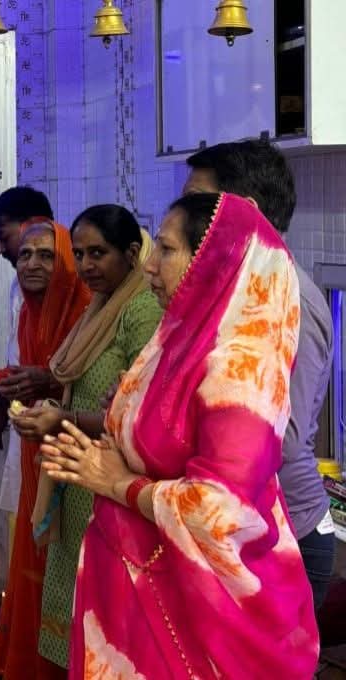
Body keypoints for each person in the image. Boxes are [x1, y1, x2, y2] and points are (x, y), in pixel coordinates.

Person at [41, 192, 319, 677]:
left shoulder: (241, 369)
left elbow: (221, 507)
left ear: (215, 261)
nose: (149, 265)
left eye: (166, 250)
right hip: (134, 597)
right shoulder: (177, 342)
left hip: (189, 620)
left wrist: (117, 484)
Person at [184, 140, 336, 609]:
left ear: (245, 212)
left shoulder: (292, 298)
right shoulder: (236, 289)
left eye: (198, 204)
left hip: (288, 533)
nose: (184, 218)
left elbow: (279, 440)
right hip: (242, 525)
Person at [10, 204, 162, 672]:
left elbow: (139, 414)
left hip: (110, 482)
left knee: (100, 618)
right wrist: (55, 412)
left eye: (99, 253)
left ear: (132, 253)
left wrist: (63, 419)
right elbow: (88, 388)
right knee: (72, 603)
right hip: (81, 477)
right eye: (78, 254)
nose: (86, 265)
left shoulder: (142, 310)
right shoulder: (102, 304)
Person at [0, 220, 90, 680]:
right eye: (26, 254)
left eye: (47, 255)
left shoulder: (84, 311)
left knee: (63, 572)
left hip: (75, 463)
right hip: (36, 451)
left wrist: (48, 381)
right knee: (31, 562)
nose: (31, 263)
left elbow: (98, 391)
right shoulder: (30, 311)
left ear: (65, 262)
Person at [0, 188, 56, 563]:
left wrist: (49, 382)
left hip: (58, 429)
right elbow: (16, 360)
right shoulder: (18, 286)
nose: (0, 250)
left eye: (2, 237)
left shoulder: (68, 290)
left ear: (32, 227)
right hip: (25, 425)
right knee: (22, 529)